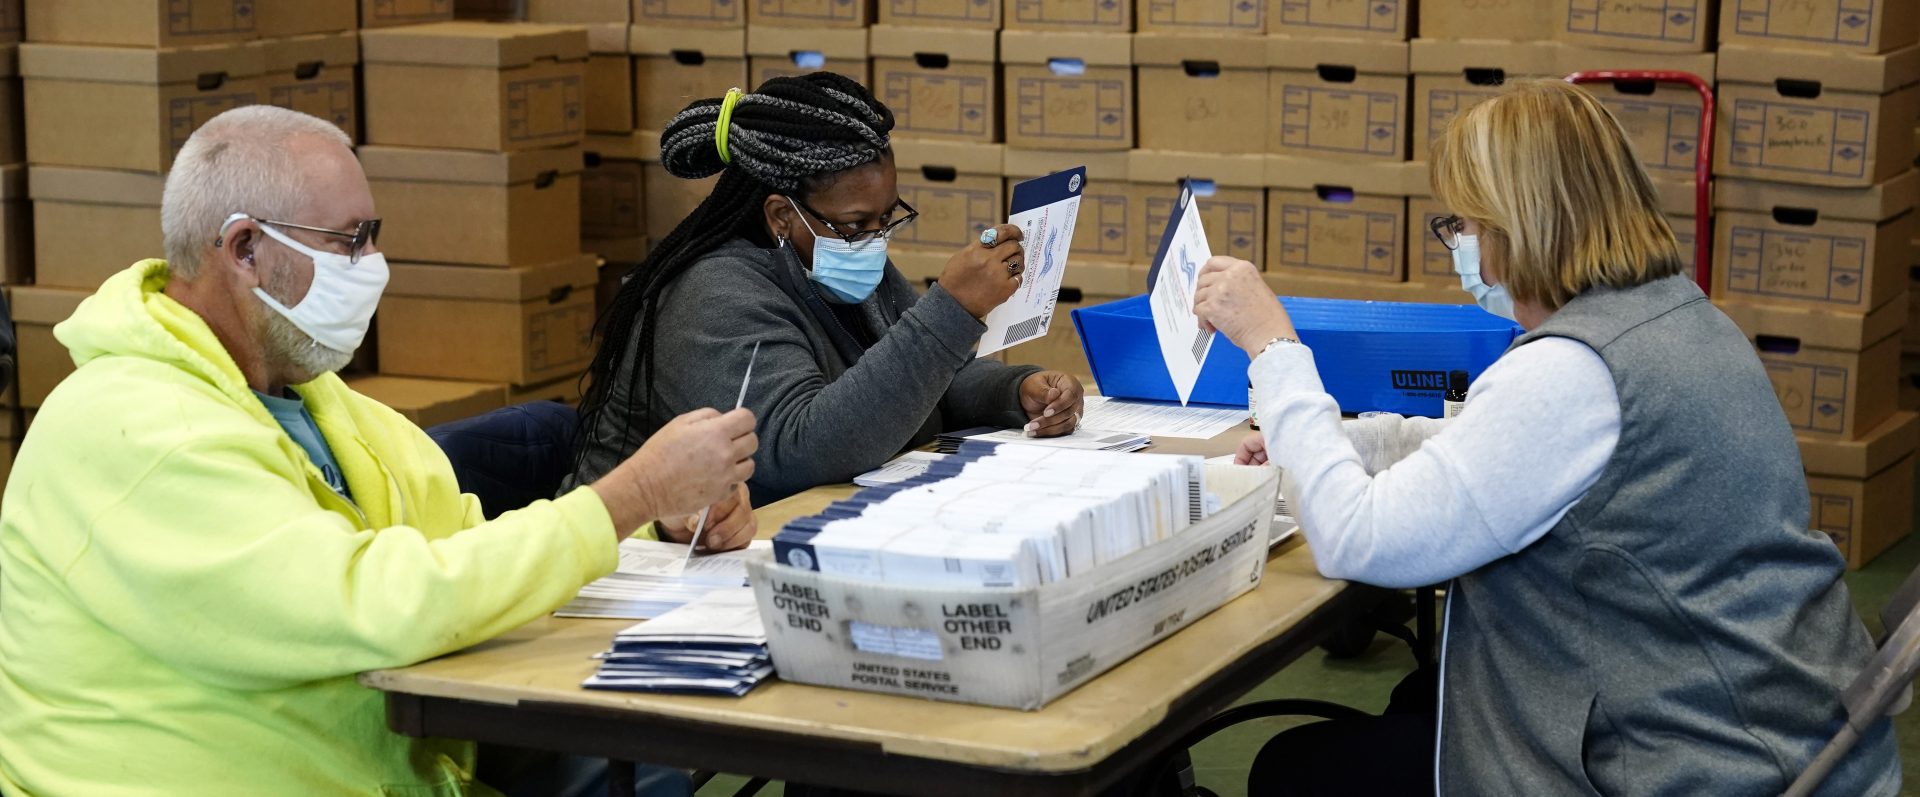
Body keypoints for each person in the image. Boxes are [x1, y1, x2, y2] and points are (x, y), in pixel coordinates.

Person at [0, 106, 758, 796]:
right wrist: (628, 493)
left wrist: (655, 523)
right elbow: (375, 603)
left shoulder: (322, 403)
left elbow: (470, 559)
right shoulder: (132, 431)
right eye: (349, 241)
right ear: (244, 249)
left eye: (374, 235)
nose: (373, 265)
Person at [1192, 79, 1900, 795]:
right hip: (1783, 725)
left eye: (1464, 223)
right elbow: (1499, 451)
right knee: (1422, 701)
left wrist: (1273, 346)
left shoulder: (1570, 369)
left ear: (1521, 222)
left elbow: (1358, 538)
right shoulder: (1674, 318)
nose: (1461, 245)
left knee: (1294, 769)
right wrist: (1342, 444)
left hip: (1700, 761)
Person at [571, 74, 1087, 505]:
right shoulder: (711, 294)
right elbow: (799, 450)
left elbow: (925, 381)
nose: (875, 239)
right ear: (780, 216)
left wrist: (1017, 391)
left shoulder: (834, 252)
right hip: (642, 560)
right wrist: (952, 309)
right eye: (857, 223)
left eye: (887, 217)